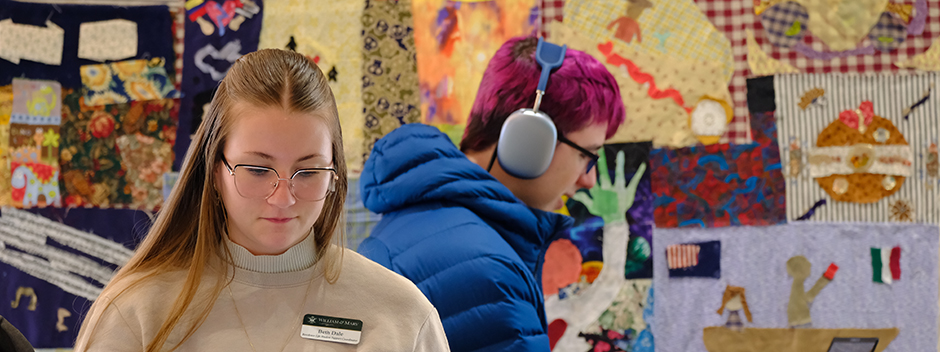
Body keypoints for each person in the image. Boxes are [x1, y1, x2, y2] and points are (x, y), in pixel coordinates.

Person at [74, 49, 449, 352]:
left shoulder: (402, 315)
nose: (283, 198)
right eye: (257, 170)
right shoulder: (135, 312)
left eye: (309, 172)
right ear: (214, 171)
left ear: (335, 175)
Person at [358, 36, 626, 351]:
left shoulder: (417, 221)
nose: (589, 179)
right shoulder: (488, 275)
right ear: (530, 140)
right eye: (587, 155)